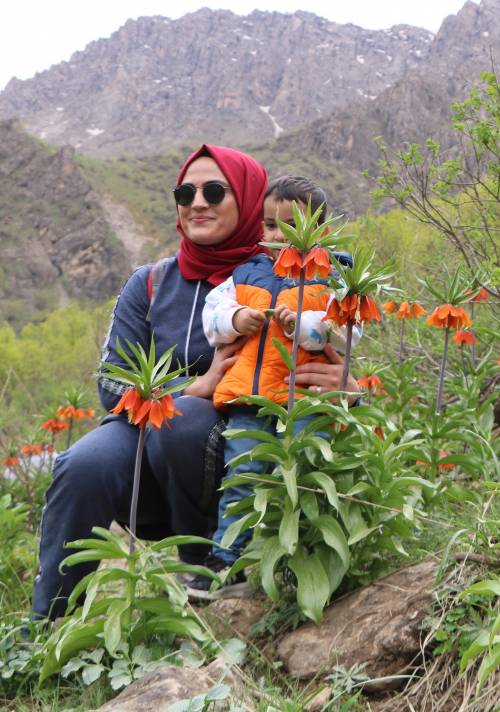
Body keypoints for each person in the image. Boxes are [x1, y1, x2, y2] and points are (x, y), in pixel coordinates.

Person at [31, 146, 359, 620]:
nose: (197, 202)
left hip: (245, 424)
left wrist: (346, 383)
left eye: (214, 191)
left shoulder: (292, 276)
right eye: (185, 193)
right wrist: (189, 389)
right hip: (150, 423)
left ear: (249, 202)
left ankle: (211, 563)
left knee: (184, 422)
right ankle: (48, 621)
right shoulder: (150, 282)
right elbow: (111, 384)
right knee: (83, 465)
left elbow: (336, 342)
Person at [188, 176, 360, 598]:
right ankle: (226, 562)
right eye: (270, 225)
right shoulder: (247, 272)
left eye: (291, 226)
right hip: (251, 399)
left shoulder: (336, 275)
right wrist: (235, 319)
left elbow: (346, 332)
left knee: (308, 473)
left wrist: (302, 326)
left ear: (320, 229)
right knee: (242, 476)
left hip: (307, 400)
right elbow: (213, 316)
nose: (279, 236)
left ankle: (305, 561)